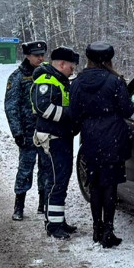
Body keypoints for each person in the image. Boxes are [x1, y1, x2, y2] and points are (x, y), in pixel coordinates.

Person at [69, 41, 134, 248]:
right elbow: (127, 110)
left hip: (90, 137)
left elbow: (74, 112)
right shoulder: (115, 81)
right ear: (109, 59)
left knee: (95, 183)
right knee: (110, 184)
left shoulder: (78, 82)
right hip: (113, 136)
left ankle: (96, 228)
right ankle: (108, 230)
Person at [31, 46, 79, 239]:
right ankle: (53, 226)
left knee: (61, 180)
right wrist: (70, 115)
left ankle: (57, 220)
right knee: (56, 182)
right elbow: (44, 108)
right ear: (61, 64)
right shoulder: (46, 81)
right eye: (71, 66)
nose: (73, 70)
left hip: (61, 138)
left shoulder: (59, 80)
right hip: (52, 140)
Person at [5, 40, 51, 221]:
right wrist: (17, 132)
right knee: (25, 169)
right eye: (36, 55)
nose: (40, 58)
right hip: (27, 133)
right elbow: (11, 107)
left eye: (42, 55)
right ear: (27, 55)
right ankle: (19, 206)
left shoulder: (48, 74)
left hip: (46, 130)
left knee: (46, 168)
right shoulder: (17, 77)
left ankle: (43, 203)